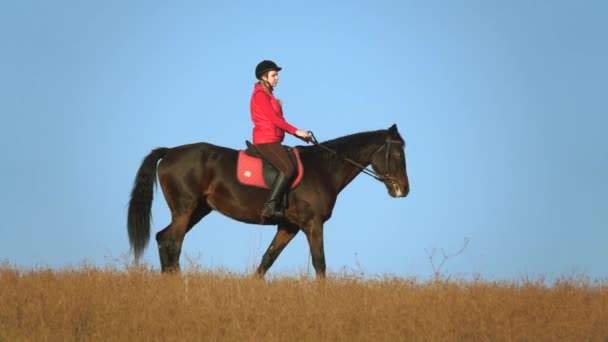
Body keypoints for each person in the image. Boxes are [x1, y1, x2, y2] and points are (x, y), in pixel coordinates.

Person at [250, 60, 311, 221]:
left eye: (277, 75)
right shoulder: (260, 95)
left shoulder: (270, 96)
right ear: (264, 77)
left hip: (274, 140)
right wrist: (297, 131)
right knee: (288, 168)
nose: (277, 78)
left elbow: (280, 121)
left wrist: (300, 135)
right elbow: (274, 120)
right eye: (274, 75)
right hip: (265, 141)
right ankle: (270, 206)